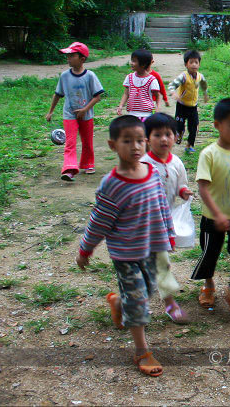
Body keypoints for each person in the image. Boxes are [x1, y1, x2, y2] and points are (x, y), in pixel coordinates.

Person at [77, 115, 175, 377]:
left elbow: (161, 205)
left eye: (140, 141)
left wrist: (168, 233)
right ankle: (142, 350)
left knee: (147, 290)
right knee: (139, 299)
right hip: (126, 254)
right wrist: (85, 249)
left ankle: (118, 301)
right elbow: (99, 222)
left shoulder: (152, 172)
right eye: (127, 141)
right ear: (112, 145)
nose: (135, 147)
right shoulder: (112, 185)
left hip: (152, 249)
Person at [190, 98, 230, 319]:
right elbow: (203, 187)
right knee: (210, 254)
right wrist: (217, 214)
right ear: (218, 125)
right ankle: (208, 284)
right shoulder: (209, 154)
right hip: (213, 218)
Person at [140, 113, 192, 324]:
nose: (164, 139)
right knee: (156, 264)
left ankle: (163, 302)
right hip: (145, 225)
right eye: (157, 135)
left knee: (158, 263)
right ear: (146, 139)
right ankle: (165, 302)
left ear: (176, 136)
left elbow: (180, 184)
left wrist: (184, 192)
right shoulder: (143, 164)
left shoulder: (176, 162)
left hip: (165, 221)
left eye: (168, 134)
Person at [45, 42, 105, 181]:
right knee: (70, 142)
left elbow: (97, 96)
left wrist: (85, 109)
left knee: (87, 140)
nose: (68, 59)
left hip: (86, 114)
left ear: (82, 59)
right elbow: (58, 94)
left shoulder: (90, 76)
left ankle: (88, 163)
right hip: (69, 114)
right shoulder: (64, 76)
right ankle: (69, 169)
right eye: (68, 56)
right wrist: (50, 111)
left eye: (72, 56)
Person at [168, 49, 209, 153]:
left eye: (196, 62)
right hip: (182, 106)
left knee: (194, 127)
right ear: (186, 64)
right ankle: (179, 133)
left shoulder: (200, 76)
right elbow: (172, 85)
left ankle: (189, 145)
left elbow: (204, 86)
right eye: (191, 62)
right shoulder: (183, 76)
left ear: (199, 64)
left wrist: (205, 94)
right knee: (179, 125)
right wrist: (173, 93)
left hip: (193, 107)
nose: (194, 65)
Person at [117, 49, 159, 121]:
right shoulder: (129, 77)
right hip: (132, 114)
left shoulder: (152, 80)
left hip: (146, 115)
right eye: (132, 60)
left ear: (143, 64)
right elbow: (126, 94)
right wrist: (121, 106)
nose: (131, 63)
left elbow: (157, 96)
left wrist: (157, 108)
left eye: (134, 61)